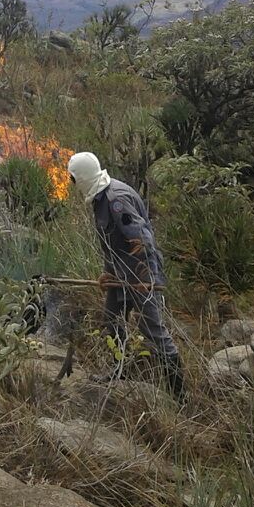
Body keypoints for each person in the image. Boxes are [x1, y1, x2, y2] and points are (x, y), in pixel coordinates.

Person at [66, 151, 183, 396]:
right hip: (120, 276)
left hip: (140, 276)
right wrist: (107, 274)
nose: (72, 184)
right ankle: (119, 370)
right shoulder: (100, 198)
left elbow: (143, 240)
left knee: (153, 331)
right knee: (112, 319)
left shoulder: (114, 199)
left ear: (84, 177)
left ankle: (179, 394)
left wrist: (144, 279)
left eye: (73, 178)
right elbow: (113, 244)